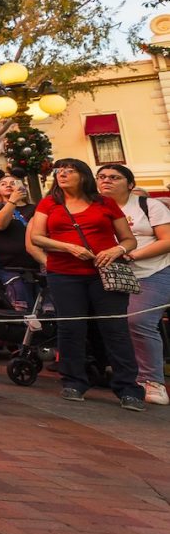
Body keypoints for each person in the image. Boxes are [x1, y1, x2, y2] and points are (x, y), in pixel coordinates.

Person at [26, 158, 142, 409]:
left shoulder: (105, 203)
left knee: (115, 329)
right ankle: (74, 381)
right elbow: (37, 237)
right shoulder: (49, 203)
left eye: (70, 171)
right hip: (64, 274)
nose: (63, 175)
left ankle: (128, 388)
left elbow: (129, 239)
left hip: (104, 273)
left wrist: (116, 250)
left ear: (84, 176)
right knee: (71, 328)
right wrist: (68, 247)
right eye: (59, 171)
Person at [97, 164, 170, 405]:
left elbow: (167, 240)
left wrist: (131, 255)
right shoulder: (94, 207)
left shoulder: (148, 205)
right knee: (115, 325)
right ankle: (127, 375)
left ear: (129, 184)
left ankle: (153, 381)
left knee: (138, 320)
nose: (106, 180)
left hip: (153, 270)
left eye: (114, 177)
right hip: (111, 275)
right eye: (102, 177)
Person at [0, 172, 43, 311]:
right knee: (21, 307)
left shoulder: (34, 209)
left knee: (42, 308)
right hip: (7, 265)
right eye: (3, 184)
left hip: (35, 264)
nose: (9, 185)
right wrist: (12, 202)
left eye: (13, 183)